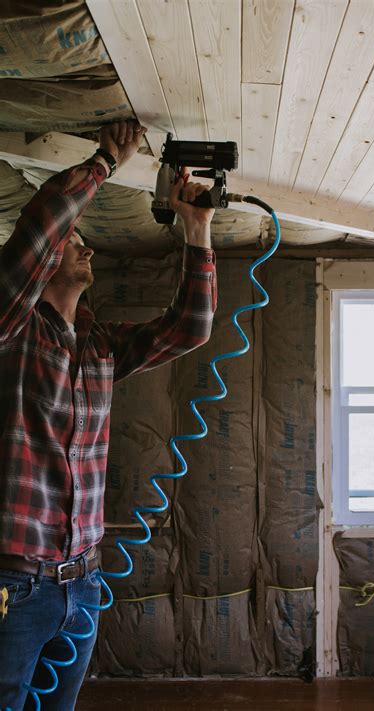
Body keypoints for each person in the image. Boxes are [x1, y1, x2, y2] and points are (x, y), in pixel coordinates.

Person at [0, 120, 217, 710]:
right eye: (75, 242)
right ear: (45, 262)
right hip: (13, 585)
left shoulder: (98, 346)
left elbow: (190, 329)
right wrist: (104, 161)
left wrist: (197, 230)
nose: (86, 247)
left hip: (83, 582)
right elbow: (38, 229)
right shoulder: (12, 329)